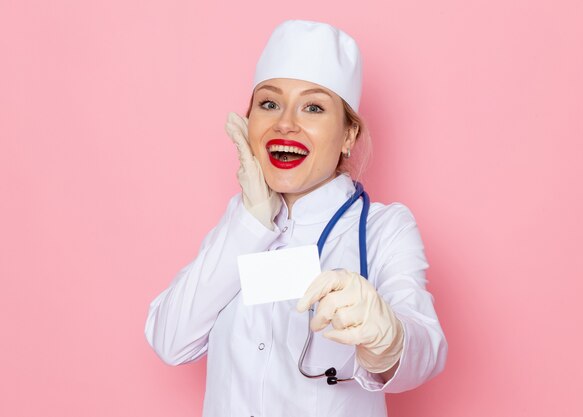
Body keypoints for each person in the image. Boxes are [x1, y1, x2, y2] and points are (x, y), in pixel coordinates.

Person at [145, 19, 447, 417]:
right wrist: (250, 223)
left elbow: (427, 349)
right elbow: (170, 339)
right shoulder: (238, 224)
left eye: (314, 107)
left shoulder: (382, 229)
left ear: (348, 136)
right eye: (269, 103)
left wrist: (389, 340)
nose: (285, 123)